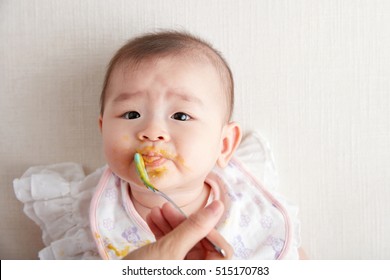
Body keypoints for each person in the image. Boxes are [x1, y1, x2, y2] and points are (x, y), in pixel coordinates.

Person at [13, 30, 303, 260]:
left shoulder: (251, 205)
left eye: (180, 115)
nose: (151, 131)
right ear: (104, 130)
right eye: (131, 114)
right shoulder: (82, 215)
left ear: (224, 145)